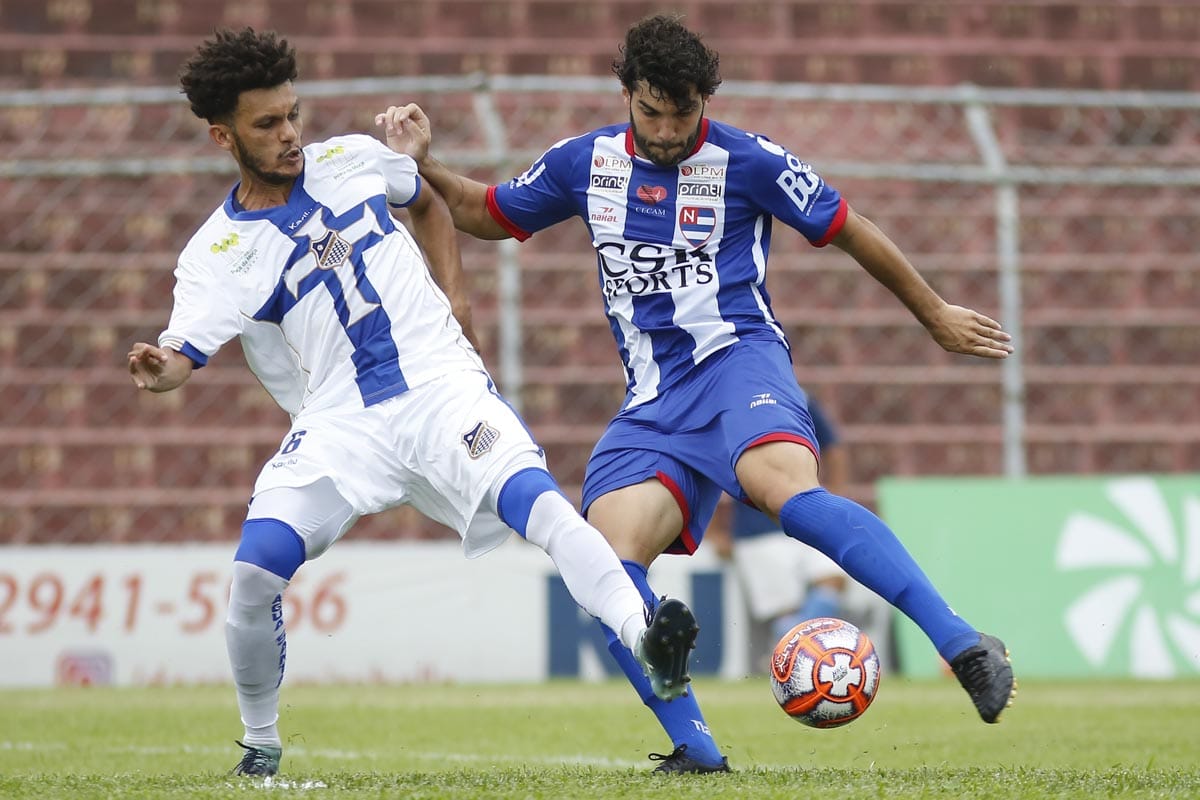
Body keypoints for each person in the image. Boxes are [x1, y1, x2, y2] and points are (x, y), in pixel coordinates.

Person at [384, 13, 1017, 773]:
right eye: (652, 111)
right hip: (652, 401)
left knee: (783, 491)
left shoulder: (746, 161)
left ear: (703, 102)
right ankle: (696, 748)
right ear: (627, 95)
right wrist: (421, 165)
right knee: (604, 563)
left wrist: (935, 312)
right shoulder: (584, 164)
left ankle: (961, 643)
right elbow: (484, 211)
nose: (667, 129)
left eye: (683, 113)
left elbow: (850, 228)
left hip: (737, 365)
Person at [126, 27, 700, 779]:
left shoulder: (352, 160)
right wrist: (161, 368)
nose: (290, 134)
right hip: (340, 421)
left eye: (292, 114)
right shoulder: (215, 255)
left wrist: (456, 300)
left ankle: (648, 636)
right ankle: (259, 745)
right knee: (256, 570)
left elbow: (428, 203)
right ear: (221, 135)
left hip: (440, 385)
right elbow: (181, 358)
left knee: (546, 508)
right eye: (267, 125)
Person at [710, 395, 893, 673]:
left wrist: (835, 498)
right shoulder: (727, 405)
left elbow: (834, 448)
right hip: (756, 530)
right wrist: (713, 532)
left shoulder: (798, 398)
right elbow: (707, 467)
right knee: (784, 606)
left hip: (807, 518)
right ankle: (806, 662)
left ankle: (797, 656)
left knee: (832, 578)